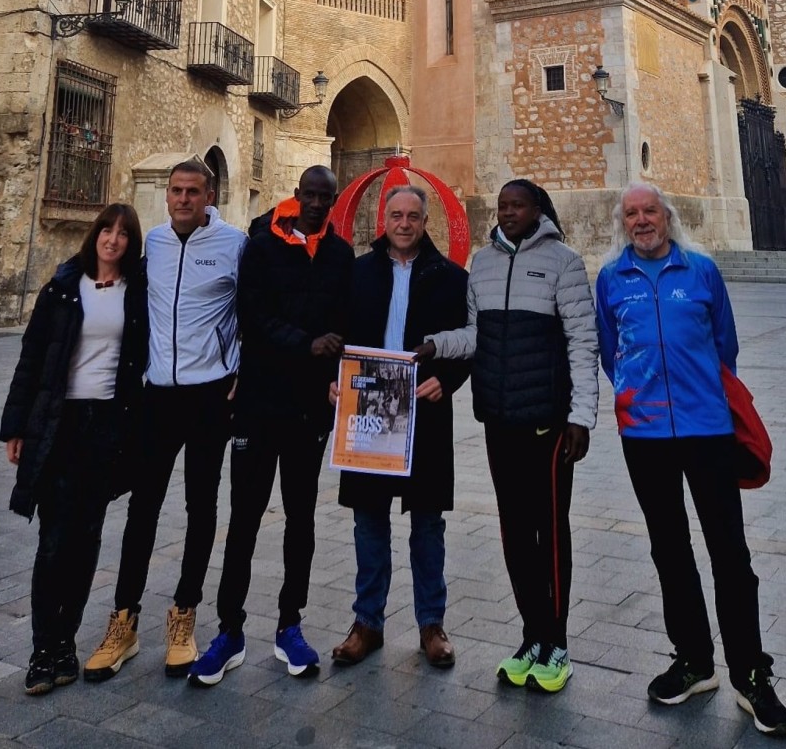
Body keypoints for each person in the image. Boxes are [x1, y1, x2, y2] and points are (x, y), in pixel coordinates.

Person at [595, 182, 786, 737]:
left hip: (708, 429)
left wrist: (699, 389)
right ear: (623, 222)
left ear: (667, 216)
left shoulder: (702, 271)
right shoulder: (611, 279)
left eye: (649, 211)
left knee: (730, 551)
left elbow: (723, 346)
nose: (641, 221)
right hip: (646, 435)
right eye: (631, 213)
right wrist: (633, 393)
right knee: (669, 548)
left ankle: (751, 674)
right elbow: (611, 349)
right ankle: (694, 661)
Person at [416, 179, 599, 694]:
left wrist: (581, 416)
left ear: (537, 209)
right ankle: (532, 636)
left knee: (550, 532)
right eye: (502, 206)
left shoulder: (563, 261)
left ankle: (557, 643)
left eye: (517, 205)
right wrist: (437, 344)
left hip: (548, 421)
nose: (508, 213)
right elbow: (477, 335)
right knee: (515, 533)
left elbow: (583, 342)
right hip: (499, 420)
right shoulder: (485, 262)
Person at [188, 165, 354, 686]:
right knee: (244, 520)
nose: (316, 205)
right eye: (309, 196)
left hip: (309, 411)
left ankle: (290, 625)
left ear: (332, 202)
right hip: (258, 405)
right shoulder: (260, 247)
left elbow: (345, 319)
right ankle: (229, 630)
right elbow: (252, 316)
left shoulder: (340, 254)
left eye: (325, 199)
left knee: (301, 520)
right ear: (296, 195)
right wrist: (306, 344)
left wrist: (334, 368)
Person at [83, 161, 247, 681]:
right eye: (175, 190)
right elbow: (106, 275)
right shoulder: (151, 241)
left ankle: (183, 616)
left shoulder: (233, 244)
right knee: (142, 510)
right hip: (157, 397)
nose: (181, 199)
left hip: (208, 399)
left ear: (209, 195)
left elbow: (253, 308)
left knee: (201, 508)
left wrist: (243, 367)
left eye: (192, 191)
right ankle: (124, 622)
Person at [0, 203, 148, 696]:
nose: (112, 239)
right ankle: (43, 650)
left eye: (123, 234)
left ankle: (66, 644)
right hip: (60, 424)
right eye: (106, 229)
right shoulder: (63, 288)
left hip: (105, 427)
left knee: (87, 539)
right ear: (94, 235)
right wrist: (16, 427)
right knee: (53, 540)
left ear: (131, 244)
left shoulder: (136, 293)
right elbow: (31, 359)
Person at [329, 186, 470, 668]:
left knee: (428, 523)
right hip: (368, 413)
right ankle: (367, 622)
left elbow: (465, 344)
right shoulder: (358, 271)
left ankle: (432, 624)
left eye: (412, 215)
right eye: (396, 215)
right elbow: (339, 333)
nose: (404, 223)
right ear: (382, 219)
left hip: (424, 413)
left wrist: (445, 382)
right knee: (369, 520)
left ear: (424, 220)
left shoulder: (450, 277)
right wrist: (335, 384)